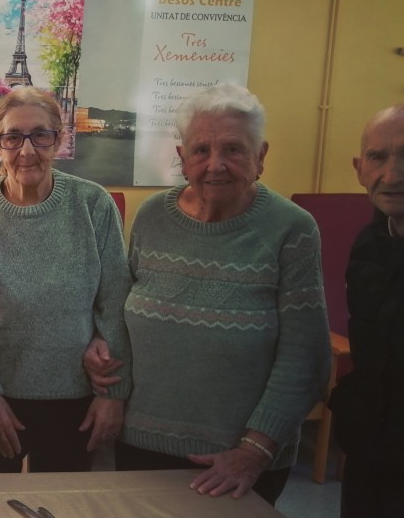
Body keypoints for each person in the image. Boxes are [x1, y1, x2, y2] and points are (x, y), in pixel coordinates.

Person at [94, 83, 330, 505]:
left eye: (234, 149)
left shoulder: (292, 229)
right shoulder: (152, 216)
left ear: (261, 156)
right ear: (183, 158)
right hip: (139, 445)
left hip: (237, 461)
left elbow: (306, 356)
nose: (215, 164)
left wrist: (255, 450)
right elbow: (125, 314)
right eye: (201, 150)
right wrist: (105, 367)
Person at [0, 86, 130, 473]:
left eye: (40, 135)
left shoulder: (93, 204)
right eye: (12, 137)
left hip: (77, 402)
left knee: (63, 501)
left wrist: (114, 394)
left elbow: (116, 304)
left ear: (59, 140)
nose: (27, 151)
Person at [330, 103, 404, 518]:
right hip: (370, 454)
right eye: (378, 157)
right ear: (360, 169)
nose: (392, 175)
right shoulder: (368, 243)